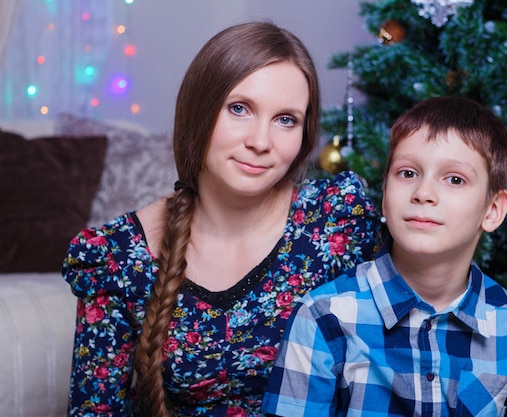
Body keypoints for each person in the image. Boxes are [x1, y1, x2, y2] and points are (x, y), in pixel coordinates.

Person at [62, 21, 382, 416]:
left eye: (286, 120)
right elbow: (94, 410)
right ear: (199, 110)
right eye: (239, 109)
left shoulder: (337, 220)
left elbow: (403, 360)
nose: (261, 142)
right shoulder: (116, 256)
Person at [262, 96, 507, 417]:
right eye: (407, 173)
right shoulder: (324, 317)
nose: (423, 193)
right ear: (384, 196)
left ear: (492, 210)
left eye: (454, 179)